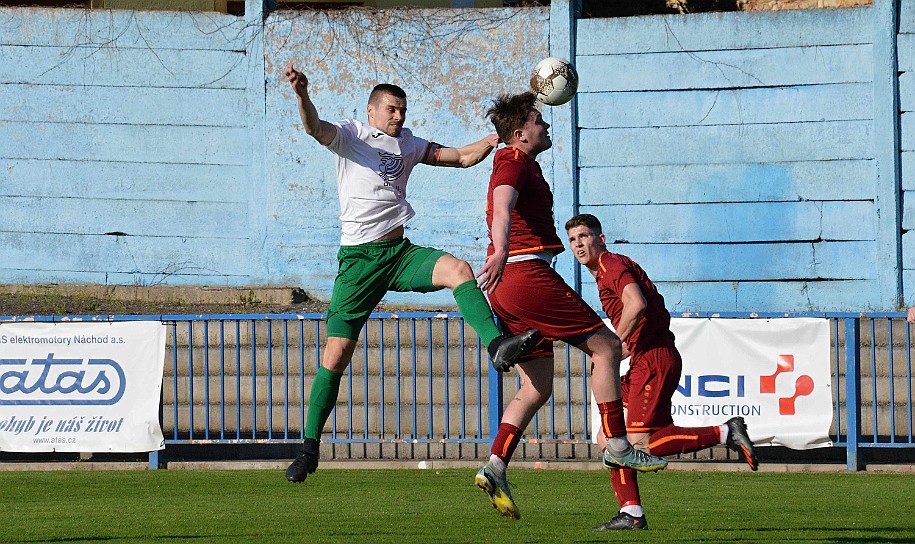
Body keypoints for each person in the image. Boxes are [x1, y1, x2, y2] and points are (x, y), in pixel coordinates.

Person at [282, 65, 541, 483]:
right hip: (359, 263)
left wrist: (496, 140)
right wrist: (302, 95)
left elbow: (459, 158)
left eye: (402, 110)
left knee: (458, 269)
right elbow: (314, 128)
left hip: (399, 254)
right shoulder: (351, 135)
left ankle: (497, 345)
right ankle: (309, 448)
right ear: (371, 111)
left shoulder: (409, 143)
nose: (398, 116)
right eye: (390, 109)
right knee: (336, 354)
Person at [472, 92, 668, 521]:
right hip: (526, 274)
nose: (547, 125)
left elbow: (503, 182)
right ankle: (618, 445)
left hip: (508, 286)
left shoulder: (515, 157)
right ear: (521, 134)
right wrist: (502, 250)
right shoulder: (514, 161)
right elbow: (502, 205)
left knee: (537, 386)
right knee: (607, 348)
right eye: (538, 120)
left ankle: (496, 465)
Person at [565, 213, 759, 531]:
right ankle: (631, 513)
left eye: (585, 236)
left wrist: (611, 348)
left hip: (654, 361)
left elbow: (636, 304)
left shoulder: (611, 264)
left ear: (600, 238)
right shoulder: (602, 272)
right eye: (573, 239)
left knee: (639, 446)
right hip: (644, 359)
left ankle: (727, 432)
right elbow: (638, 322)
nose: (579, 244)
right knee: (609, 437)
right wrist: (607, 355)